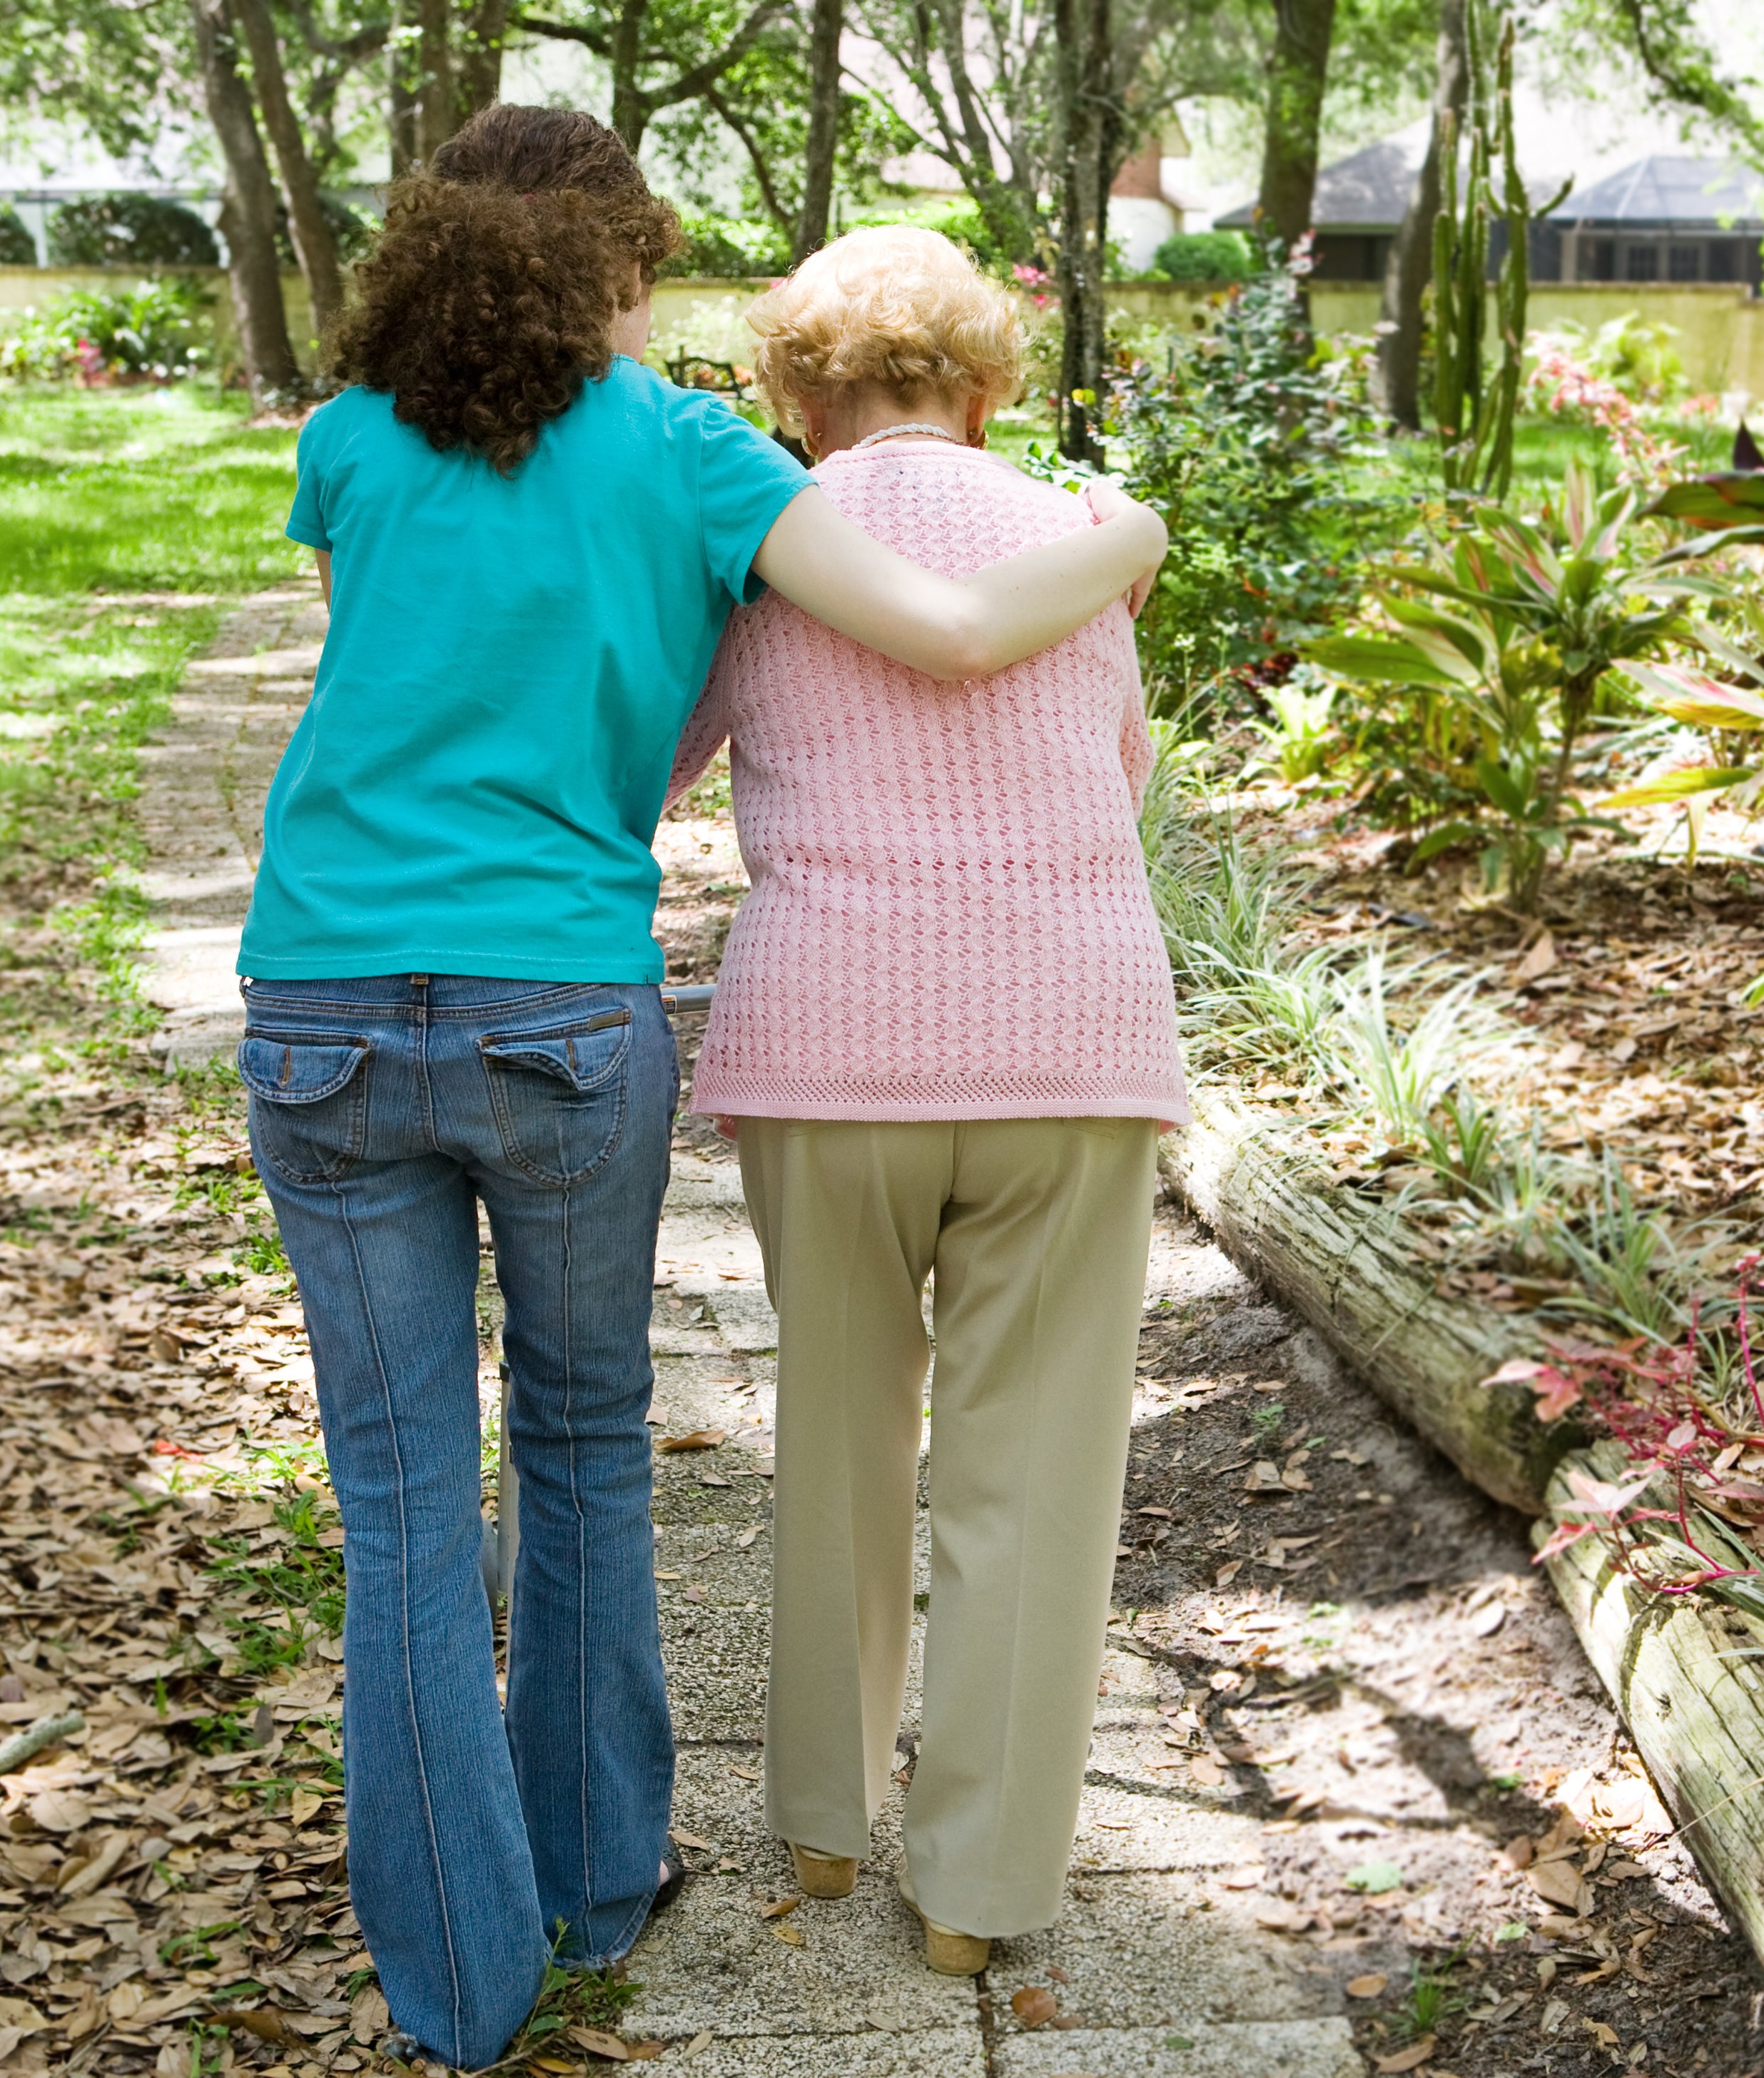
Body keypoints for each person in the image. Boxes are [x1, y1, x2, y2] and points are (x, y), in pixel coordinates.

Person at [235, 113, 1167, 2071]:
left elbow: (430, 682)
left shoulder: (353, 441)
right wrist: (1130, 535)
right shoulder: (693, 462)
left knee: (405, 1502)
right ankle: (670, 1889)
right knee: (589, 1446)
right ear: (617, 271)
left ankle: (480, 1982)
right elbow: (1005, 683)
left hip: (337, 983)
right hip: (608, 1007)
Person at [665, 227, 1189, 1977]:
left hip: (830, 1049)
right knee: (1031, 1475)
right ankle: (973, 1895)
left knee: (834, 1428)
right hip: (1071, 1044)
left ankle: (821, 1824)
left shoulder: (761, 553)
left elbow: (653, 763)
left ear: (794, 398)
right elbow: (1115, 775)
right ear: (982, 389)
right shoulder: (1079, 542)